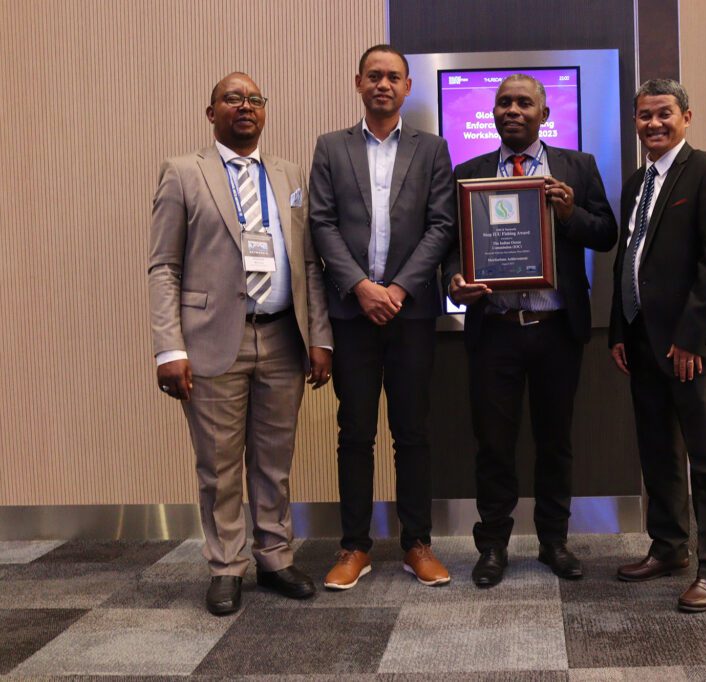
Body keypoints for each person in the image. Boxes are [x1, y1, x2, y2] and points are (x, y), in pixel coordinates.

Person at [148, 72, 333, 615]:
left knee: (274, 461)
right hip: (211, 341)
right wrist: (169, 348)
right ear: (212, 113)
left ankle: (274, 557)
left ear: (264, 111)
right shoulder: (184, 172)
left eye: (254, 99)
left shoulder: (288, 173)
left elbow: (309, 264)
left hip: (282, 337)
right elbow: (164, 267)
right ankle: (226, 565)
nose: (245, 106)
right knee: (219, 465)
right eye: (232, 98)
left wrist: (319, 336)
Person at [445, 74, 618, 587]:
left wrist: (569, 213)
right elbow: (452, 246)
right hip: (495, 330)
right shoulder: (469, 173)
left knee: (555, 441)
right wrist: (454, 281)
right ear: (493, 113)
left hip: (555, 329)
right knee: (493, 445)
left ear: (545, 114)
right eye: (504, 103)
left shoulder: (578, 167)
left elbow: (606, 233)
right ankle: (493, 546)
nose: (513, 110)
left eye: (524, 103)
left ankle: (553, 542)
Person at [309, 45, 456, 590]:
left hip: (410, 314)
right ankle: (354, 546)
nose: (383, 84)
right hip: (352, 315)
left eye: (393, 77)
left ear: (407, 86)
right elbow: (322, 224)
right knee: (355, 432)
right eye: (374, 75)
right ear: (358, 82)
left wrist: (395, 289)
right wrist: (361, 287)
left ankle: (417, 544)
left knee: (412, 431)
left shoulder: (432, 149)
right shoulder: (331, 147)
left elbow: (442, 226)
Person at [609, 79, 706, 613]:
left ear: (687, 116)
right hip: (643, 340)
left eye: (664, 113)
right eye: (645, 116)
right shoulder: (635, 183)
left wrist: (691, 339)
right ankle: (668, 547)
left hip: (692, 345)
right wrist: (620, 331)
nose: (654, 124)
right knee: (658, 451)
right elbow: (629, 259)